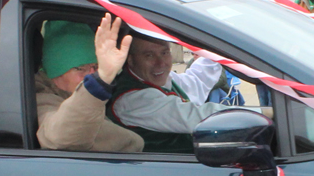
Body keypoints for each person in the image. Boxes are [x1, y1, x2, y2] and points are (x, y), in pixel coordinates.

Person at [107, 36, 236, 153]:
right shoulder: (132, 100)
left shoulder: (155, 77)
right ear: (131, 59)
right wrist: (250, 115)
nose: (161, 63)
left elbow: (195, 83)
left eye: (164, 53)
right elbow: (196, 117)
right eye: (149, 55)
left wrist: (215, 51)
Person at [35, 13, 144, 152]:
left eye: (96, 67)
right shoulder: (41, 99)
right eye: (80, 68)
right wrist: (100, 81)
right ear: (54, 72)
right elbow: (61, 137)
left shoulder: (66, 92)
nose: (91, 75)